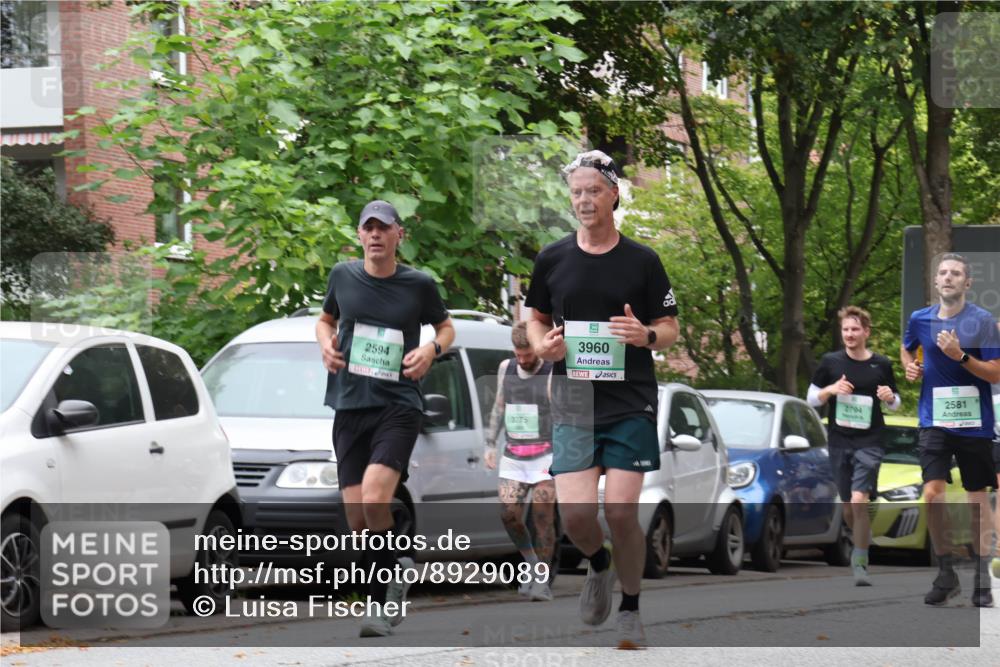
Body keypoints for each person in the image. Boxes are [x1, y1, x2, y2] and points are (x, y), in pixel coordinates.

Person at [525, 149, 679, 647]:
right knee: (574, 516)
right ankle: (599, 564)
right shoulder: (552, 258)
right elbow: (535, 317)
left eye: (594, 190)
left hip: (629, 401)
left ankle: (631, 607)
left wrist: (646, 336)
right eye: (577, 192)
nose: (585, 199)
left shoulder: (643, 261)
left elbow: (670, 327)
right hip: (573, 400)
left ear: (614, 194)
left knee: (618, 512)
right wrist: (540, 343)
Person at [316, 199, 455, 636]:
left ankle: (377, 608)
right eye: (368, 228)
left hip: (399, 404)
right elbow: (325, 319)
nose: (375, 235)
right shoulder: (342, 276)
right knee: (358, 520)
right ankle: (399, 563)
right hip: (349, 405)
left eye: (384, 228)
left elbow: (447, 328)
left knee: (376, 499)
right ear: (359, 235)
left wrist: (431, 350)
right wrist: (325, 343)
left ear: (400, 235)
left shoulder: (419, 285)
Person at [901, 253, 1000, 608]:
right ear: (935, 281)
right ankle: (945, 571)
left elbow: (995, 373)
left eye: (956, 273)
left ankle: (981, 575)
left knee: (977, 499)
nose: (948, 277)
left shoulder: (983, 321)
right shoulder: (919, 318)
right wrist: (912, 367)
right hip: (934, 420)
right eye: (942, 272)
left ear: (967, 283)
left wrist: (960, 356)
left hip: (975, 425)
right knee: (931, 493)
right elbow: (906, 348)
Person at [807, 306, 900, 586]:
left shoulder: (881, 364)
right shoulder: (830, 362)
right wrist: (831, 390)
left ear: (866, 332)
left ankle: (860, 561)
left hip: (870, 441)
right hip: (839, 440)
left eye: (855, 329)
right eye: (846, 329)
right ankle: (861, 534)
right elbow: (811, 398)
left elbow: (896, 403)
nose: (849, 334)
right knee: (849, 506)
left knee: (860, 500)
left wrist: (889, 397)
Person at [483, 321, 557, 602]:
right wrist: (491, 443)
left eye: (528, 355)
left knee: (542, 515)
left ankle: (542, 581)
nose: (523, 360)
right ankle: (531, 561)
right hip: (515, 453)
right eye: (519, 355)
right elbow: (499, 406)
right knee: (509, 513)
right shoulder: (507, 368)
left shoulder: (550, 370)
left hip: (546, 454)